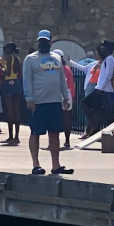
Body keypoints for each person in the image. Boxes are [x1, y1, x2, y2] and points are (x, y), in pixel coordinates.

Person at [21, 29, 73, 176]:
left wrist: (66, 97)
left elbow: (62, 79)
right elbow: (27, 80)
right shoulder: (30, 59)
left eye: (46, 40)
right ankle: (36, 164)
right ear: (38, 41)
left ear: (50, 41)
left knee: (55, 133)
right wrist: (29, 98)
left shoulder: (56, 57)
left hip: (55, 101)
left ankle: (56, 165)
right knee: (36, 132)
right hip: (38, 102)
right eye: (41, 40)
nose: (43, 43)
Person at [82, 40, 114, 137]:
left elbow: (108, 75)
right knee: (94, 108)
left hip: (103, 90)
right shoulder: (106, 59)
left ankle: (95, 127)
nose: (102, 49)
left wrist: (100, 88)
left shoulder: (110, 59)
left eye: (104, 47)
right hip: (100, 88)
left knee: (87, 104)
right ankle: (95, 127)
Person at [0, 42, 24, 145]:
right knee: (16, 110)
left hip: (9, 83)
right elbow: (20, 73)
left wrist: (0, 66)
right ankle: (16, 137)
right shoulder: (18, 58)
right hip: (17, 83)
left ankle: (11, 136)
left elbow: (5, 72)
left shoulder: (7, 58)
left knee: (10, 111)